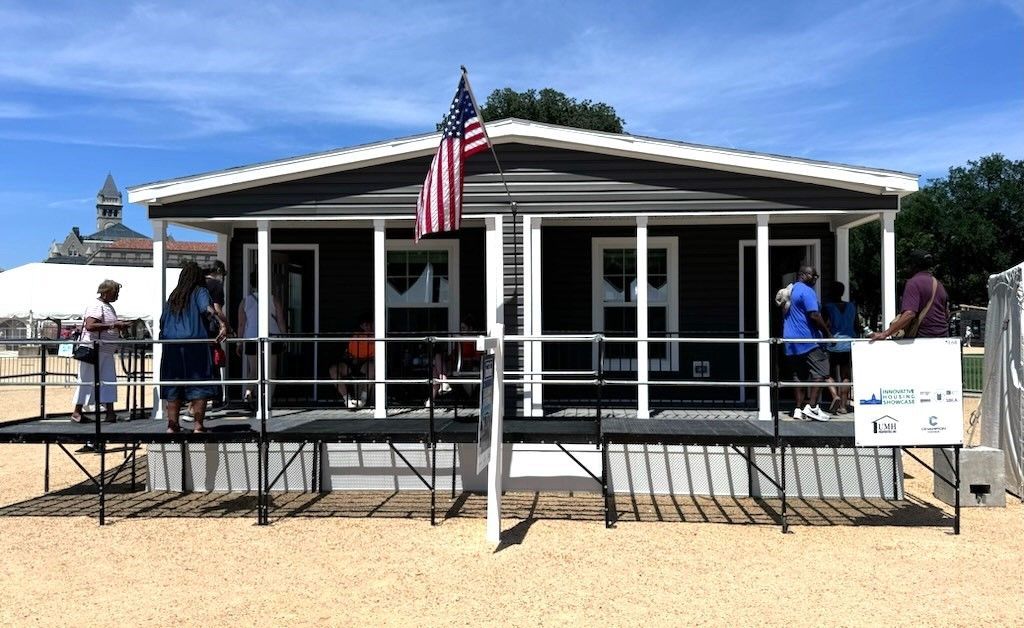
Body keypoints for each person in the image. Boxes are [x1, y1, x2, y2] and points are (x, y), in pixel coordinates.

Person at [160, 261, 228, 433]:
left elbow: (162, 321)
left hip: (171, 346)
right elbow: (208, 309)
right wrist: (221, 325)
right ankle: (198, 426)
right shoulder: (200, 291)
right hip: (195, 344)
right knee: (199, 385)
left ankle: (172, 425)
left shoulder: (173, 296)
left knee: (174, 385)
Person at [72, 280, 130, 452]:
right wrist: (114, 325)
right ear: (106, 292)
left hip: (105, 349)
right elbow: (90, 326)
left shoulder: (107, 307)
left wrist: (117, 326)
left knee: (109, 380)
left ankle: (109, 412)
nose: (117, 295)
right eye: (115, 292)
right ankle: (77, 411)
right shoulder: (96, 306)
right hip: (94, 348)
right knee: (87, 379)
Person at [782, 265, 832, 421]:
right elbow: (815, 315)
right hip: (807, 339)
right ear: (803, 275)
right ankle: (812, 407)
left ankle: (798, 409)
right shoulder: (807, 291)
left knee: (799, 375)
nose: (816, 279)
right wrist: (827, 334)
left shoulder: (792, 290)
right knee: (822, 370)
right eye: (813, 276)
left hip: (790, 340)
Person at [870, 249, 949, 340]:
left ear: (913, 265)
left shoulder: (913, 283)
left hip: (922, 339)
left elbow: (909, 313)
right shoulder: (939, 284)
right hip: (943, 338)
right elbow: (946, 313)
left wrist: (885, 333)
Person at [236, 271, 287, 406]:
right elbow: (281, 320)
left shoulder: (245, 301)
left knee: (254, 370)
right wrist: (284, 338)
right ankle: (267, 401)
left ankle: (248, 391)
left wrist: (239, 343)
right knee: (271, 372)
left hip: (252, 338)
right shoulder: (273, 299)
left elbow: (241, 325)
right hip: (271, 337)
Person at [822, 281, 856, 414]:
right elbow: (856, 325)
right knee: (846, 375)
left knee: (827, 372)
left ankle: (834, 395)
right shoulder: (852, 306)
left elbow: (824, 326)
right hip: (848, 344)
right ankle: (843, 406)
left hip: (833, 344)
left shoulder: (828, 307)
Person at [329, 314, 375, 409]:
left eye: (370, 324)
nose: (369, 327)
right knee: (333, 370)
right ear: (361, 326)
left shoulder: (377, 336)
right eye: (366, 325)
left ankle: (363, 399)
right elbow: (347, 352)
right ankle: (347, 400)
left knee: (372, 368)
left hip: (366, 362)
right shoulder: (356, 336)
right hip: (351, 361)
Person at [203, 261, 229, 411]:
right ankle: (216, 399)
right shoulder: (216, 286)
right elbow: (217, 309)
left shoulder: (198, 285)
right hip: (212, 331)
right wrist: (226, 325)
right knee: (214, 363)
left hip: (196, 330)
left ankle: (198, 401)